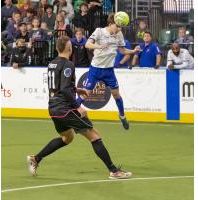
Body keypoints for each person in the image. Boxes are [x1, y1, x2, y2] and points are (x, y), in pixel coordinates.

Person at [26, 36, 132, 179]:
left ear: (57, 48)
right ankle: (114, 171)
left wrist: (76, 90)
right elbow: (63, 88)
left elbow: (58, 86)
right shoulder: (68, 64)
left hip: (53, 108)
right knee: (95, 136)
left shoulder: (52, 63)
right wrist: (77, 106)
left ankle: (36, 158)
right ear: (68, 48)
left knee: (67, 138)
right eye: (71, 45)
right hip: (65, 108)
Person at [77, 13, 140, 130]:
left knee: (116, 94)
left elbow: (122, 50)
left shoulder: (119, 34)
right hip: (95, 69)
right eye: (117, 26)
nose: (119, 29)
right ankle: (72, 113)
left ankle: (122, 116)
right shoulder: (99, 31)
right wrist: (99, 46)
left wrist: (133, 51)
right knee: (86, 94)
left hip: (109, 71)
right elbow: (87, 44)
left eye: (121, 27)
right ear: (111, 24)